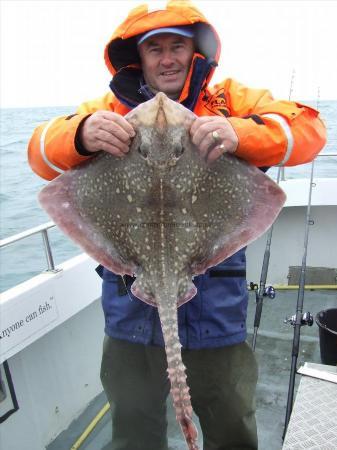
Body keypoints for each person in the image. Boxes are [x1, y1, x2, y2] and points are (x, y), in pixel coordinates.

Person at [28, 1, 326, 449]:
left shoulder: (226, 100)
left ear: (195, 52)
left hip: (216, 299)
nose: (167, 59)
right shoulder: (106, 107)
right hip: (129, 304)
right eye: (155, 49)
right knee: (134, 426)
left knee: (231, 420)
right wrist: (81, 134)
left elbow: (309, 129)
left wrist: (238, 133)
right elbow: (40, 153)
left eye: (177, 46)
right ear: (139, 59)